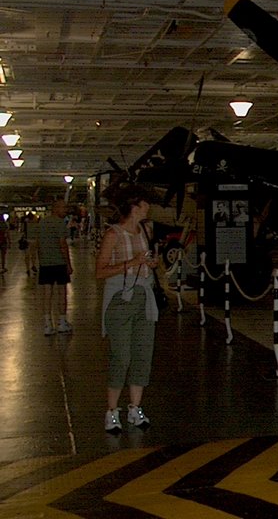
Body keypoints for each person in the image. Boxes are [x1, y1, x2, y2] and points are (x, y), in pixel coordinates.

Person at [95, 186, 159, 434]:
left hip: (144, 297)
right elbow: (100, 271)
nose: (149, 207)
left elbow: (147, 263)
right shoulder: (114, 234)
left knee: (143, 353)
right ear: (135, 206)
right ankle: (112, 411)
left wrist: (150, 264)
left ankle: (135, 407)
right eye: (145, 203)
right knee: (121, 356)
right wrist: (131, 263)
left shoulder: (146, 230)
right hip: (120, 299)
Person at [38, 198, 73, 335]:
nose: (66, 210)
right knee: (62, 292)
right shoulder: (59, 223)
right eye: (63, 208)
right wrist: (68, 264)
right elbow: (63, 245)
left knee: (47, 293)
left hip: (45, 263)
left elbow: (38, 243)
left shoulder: (42, 222)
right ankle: (62, 322)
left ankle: (47, 323)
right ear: (56, 208)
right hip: (59, 262)